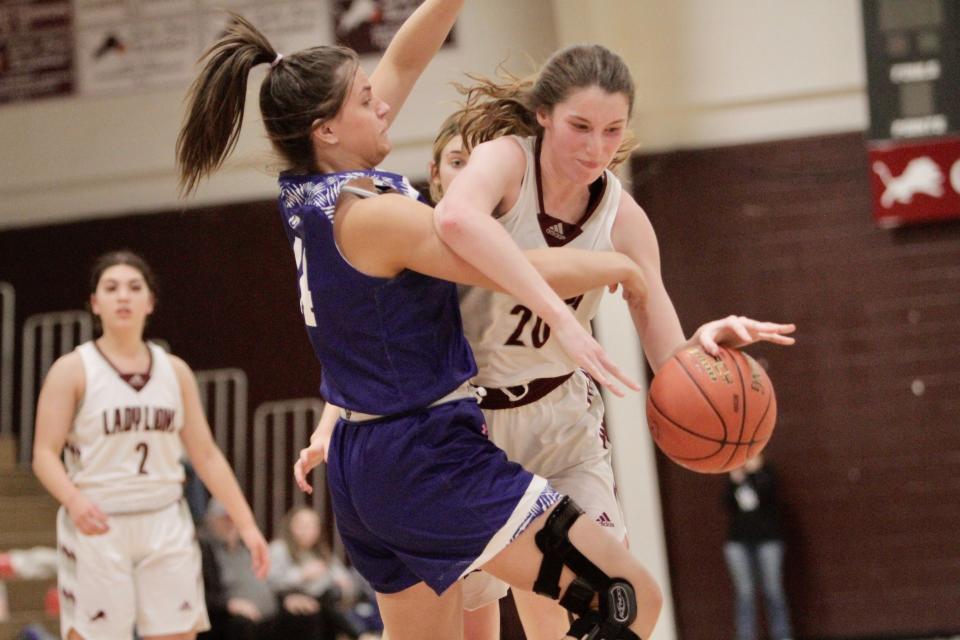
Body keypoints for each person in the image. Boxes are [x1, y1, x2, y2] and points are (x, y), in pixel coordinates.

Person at [176, 3, 669, 638]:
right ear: (326, 128)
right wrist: (621, 269)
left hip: (367, 460)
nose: (382, 103)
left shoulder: (315, 185)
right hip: (426, 456)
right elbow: (507, 263)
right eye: (364, 99)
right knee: (629, 597)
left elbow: (406, 57)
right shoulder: (373, 219)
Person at [425, 46, 797, 640]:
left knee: (597, 602)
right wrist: (560, 310)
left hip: (563, 425)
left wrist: (702, 352)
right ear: (543, 114)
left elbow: (666, 350)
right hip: (470, 426)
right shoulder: (504, 163)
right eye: (579, 127)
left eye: (612, 130)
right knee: (472, 627)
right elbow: (453, 221)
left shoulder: (624, 218)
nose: (595, 147)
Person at [31, 250, 269, 640]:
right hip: (98, 520)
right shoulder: (72, 370)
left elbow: (206, 455)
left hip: (164, 519)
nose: (122, 296)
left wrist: (246, 525)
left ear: (150, 301)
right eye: (111, 288)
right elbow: (43, 454)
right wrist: (73, 500)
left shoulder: (174, 371)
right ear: (95, 303)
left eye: (133, 287)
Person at [267, 506, 381, 639]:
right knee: (321, 607)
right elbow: (269, 581)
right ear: (290, 526)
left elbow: (341, 575)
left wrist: (343, 582)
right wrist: (302, 574)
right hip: (286, 601)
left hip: (326, 600)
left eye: (313, 526)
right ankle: (361, 634)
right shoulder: (279, 548)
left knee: (333, 600)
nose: (309, 530)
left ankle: (362, 634)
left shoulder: (320, 552)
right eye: (303, 525)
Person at [724, 455, 793, 640]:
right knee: (745, 594)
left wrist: (756, 473)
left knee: (773, 591)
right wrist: (736, 481)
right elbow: (726, 503)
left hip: (768, 541)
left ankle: (782, 636)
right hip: (739, 542)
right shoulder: (735, 476)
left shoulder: (767, 474)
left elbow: (769, 495)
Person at [199, 500, 280, 640]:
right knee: (241, 625)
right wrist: (229, 604)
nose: (231, 525)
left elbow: (270, 581)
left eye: (235, 520)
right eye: (226, 520)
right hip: (228, 619)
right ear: (211, 521)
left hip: (267, 617)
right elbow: (203, 594)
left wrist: (289, 596)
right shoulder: (205, 550)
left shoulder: (245, 549)